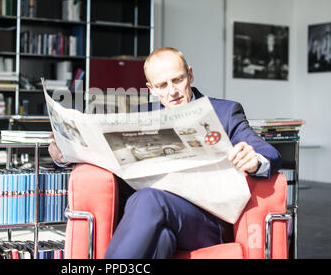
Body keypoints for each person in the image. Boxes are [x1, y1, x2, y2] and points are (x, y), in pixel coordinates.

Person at [48, 47, 282, 259]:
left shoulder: (226, 111)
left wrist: (254, 160)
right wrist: (65, 154)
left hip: (207, 222)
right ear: (151, 89)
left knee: (148, 198)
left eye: (177, 80)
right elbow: (104, 157)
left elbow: (267, 152)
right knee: (161, 241)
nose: (172, 92)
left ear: (190, 75)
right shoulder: (140, 116)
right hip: (152, 217)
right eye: (162, 85)